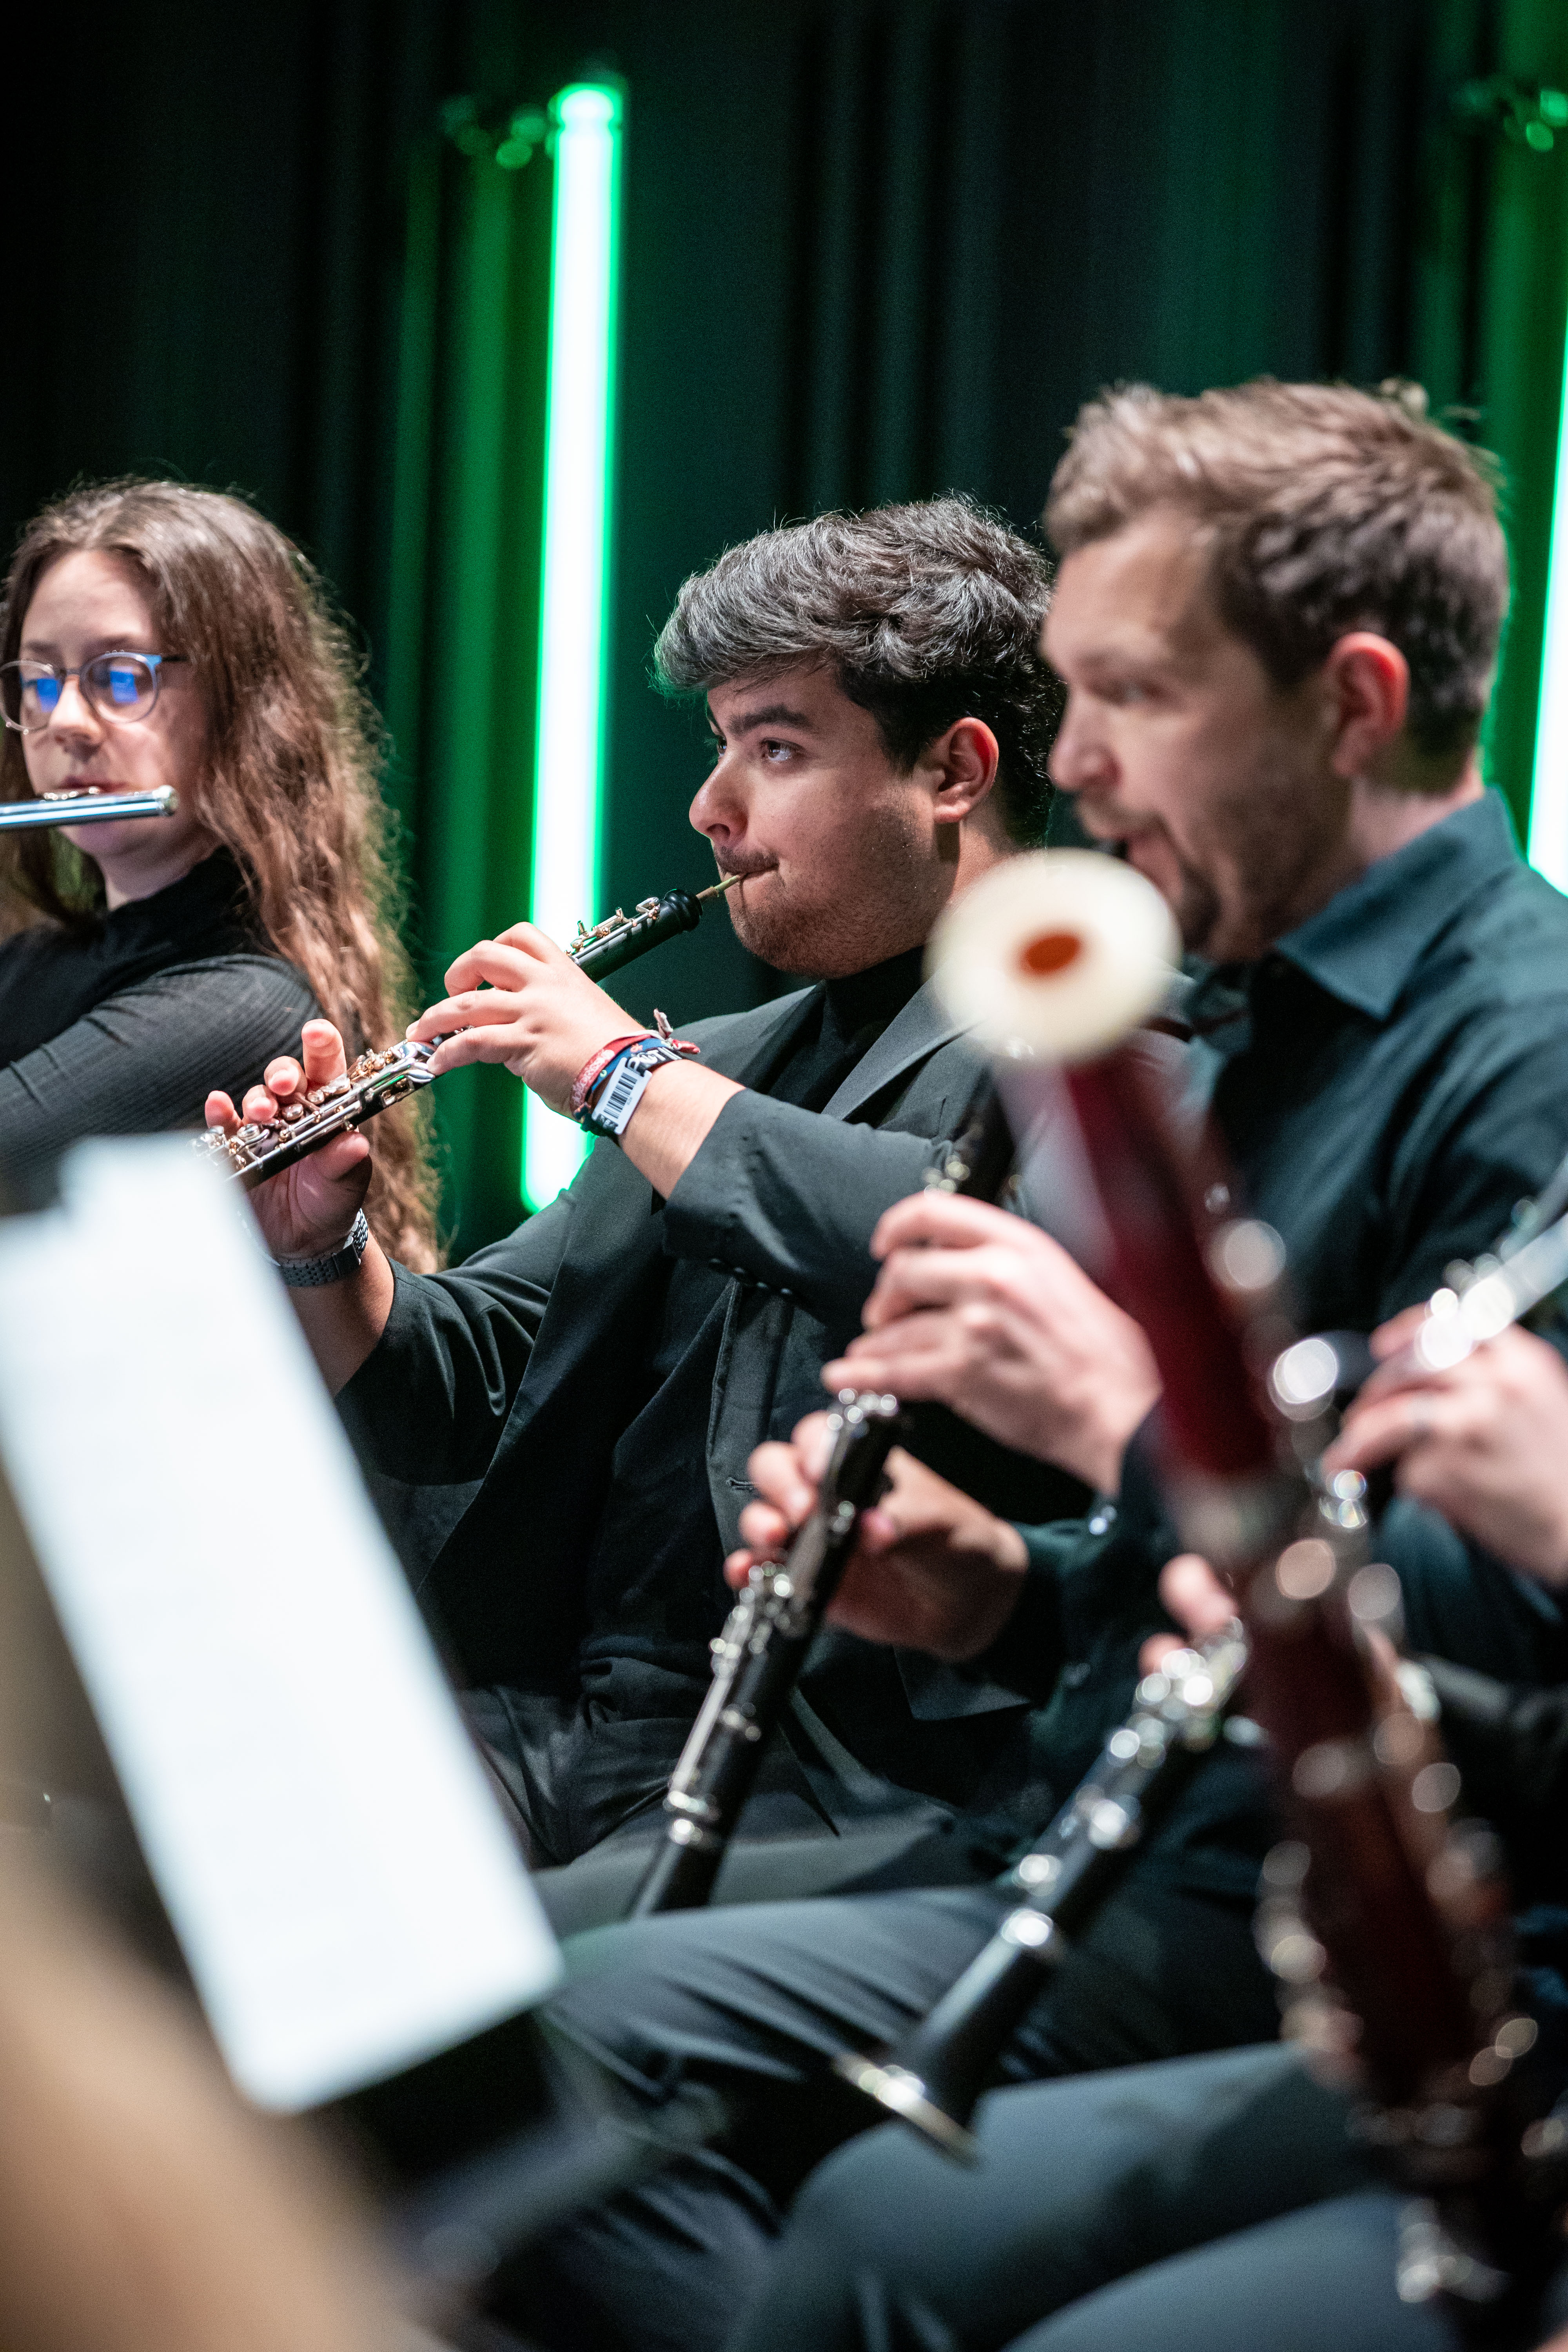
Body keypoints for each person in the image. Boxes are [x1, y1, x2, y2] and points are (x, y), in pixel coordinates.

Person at [494, 381, 1568, 2352]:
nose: (1067, 765)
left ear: (1342, 702)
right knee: (524, 2053)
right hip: (1129, 1840)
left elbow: (1487, 1629)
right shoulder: (1261, 1026)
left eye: (1130, 697)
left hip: (1330, 1915)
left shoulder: (1519, 1049)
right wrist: (1002, 1596)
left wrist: (1123, 1423)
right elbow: (1246, 1564)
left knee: (793, 2187)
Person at [202, 497, 1076, 1870]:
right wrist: (323, 1248)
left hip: (834, 1778)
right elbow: (476, 1377)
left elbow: (971, 1238)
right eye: (722, 745)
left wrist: (619, 1078)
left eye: (774, 748)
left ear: (955, 770)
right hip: (564, 1724)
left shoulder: (1102, 1062)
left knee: (435, 2001)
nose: (711, 810)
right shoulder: (720, 1064)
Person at [724, 1315, 1568, 2352]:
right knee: (879, 2222)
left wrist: (1142, 1433)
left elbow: (1470, 1590)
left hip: (1310, 1940)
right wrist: (1011, 1594)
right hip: (1457, 1991)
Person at [0, 479, 437, 1266]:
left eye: (120, 677)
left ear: (242, 704)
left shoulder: (249, 1003)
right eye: (39, 681)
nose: (63, 721)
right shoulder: (33, 963)